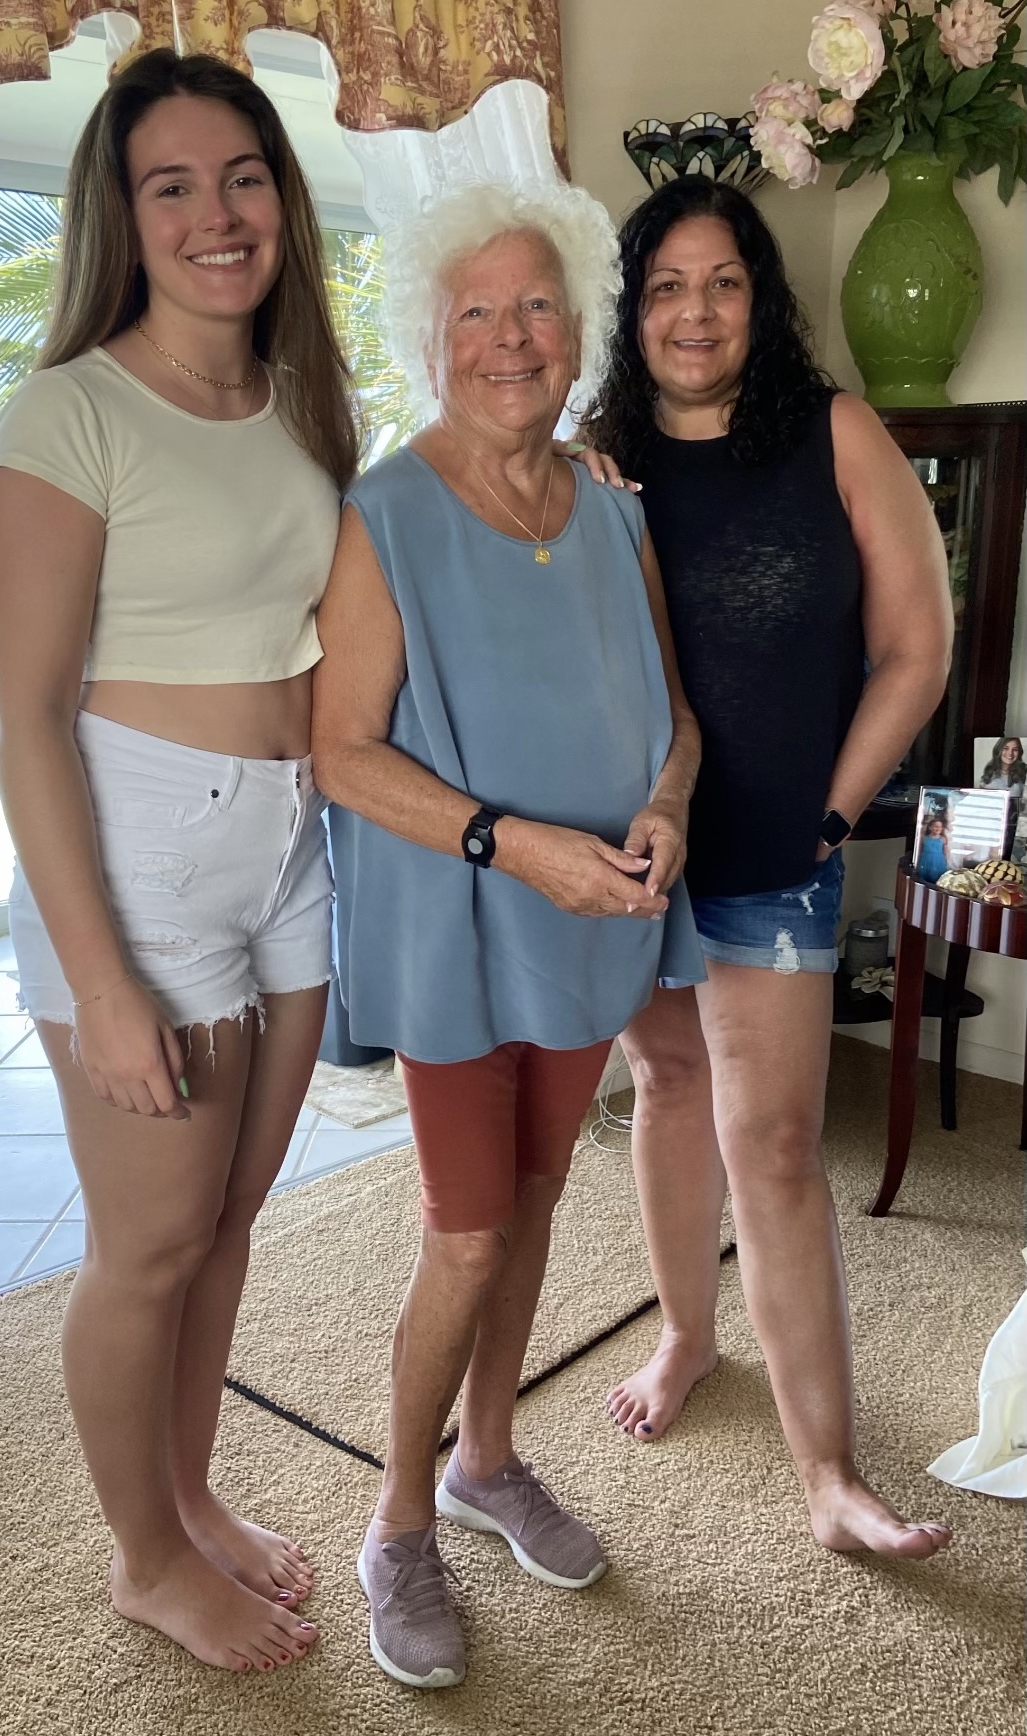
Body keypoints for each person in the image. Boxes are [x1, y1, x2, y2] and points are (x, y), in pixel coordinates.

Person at [0, 49, 359, 1673]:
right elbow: (23, 717)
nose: (217, 214)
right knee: (144, 1245)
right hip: (134, 852)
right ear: (121, 218)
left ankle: (188, 1497)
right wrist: (104, 981)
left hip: (284, 845)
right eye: (171, 184)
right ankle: (144, 1556)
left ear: (280, 195)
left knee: (229, 1221)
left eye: (243, 176)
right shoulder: (68, 410)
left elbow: (344, 633)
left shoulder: (297, 402)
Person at [312, 182, 704, 1689]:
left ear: (575, 334)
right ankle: (399, 1521)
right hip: (460, 928)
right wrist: (508, 840)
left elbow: (668, 714)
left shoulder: (613, 510)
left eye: (535, 306)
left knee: (537, 1200)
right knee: (468, 1230)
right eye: (474, 309)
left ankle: (487, 1458)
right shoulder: (384, 514)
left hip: (595, 917)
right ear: (429, 334)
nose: (507, 337)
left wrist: (663, 805)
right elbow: (340, 751)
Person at [583, 176, 955, 1557]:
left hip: (777, 850)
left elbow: (916, 647)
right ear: (633, 309)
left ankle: (830, 1478)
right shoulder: (592, 455)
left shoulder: (836, 434)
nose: (695, 310)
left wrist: (827, 814)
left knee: (779, 1147)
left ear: (761, 297)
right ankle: (685, 1337)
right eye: (667, 285)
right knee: (665, 1082)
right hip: (638, 845)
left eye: (723, 280)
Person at [917, 814, 951, 883]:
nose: (938, 829)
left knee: (936, 879)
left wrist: (947, 862)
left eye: (940, 827)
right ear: (930, 827)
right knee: (923, 879)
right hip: (925, 861)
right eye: (936, 826)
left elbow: (946, 852)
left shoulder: (943, 839)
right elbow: (919, 850)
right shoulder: (924, 838)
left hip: (938, 862)